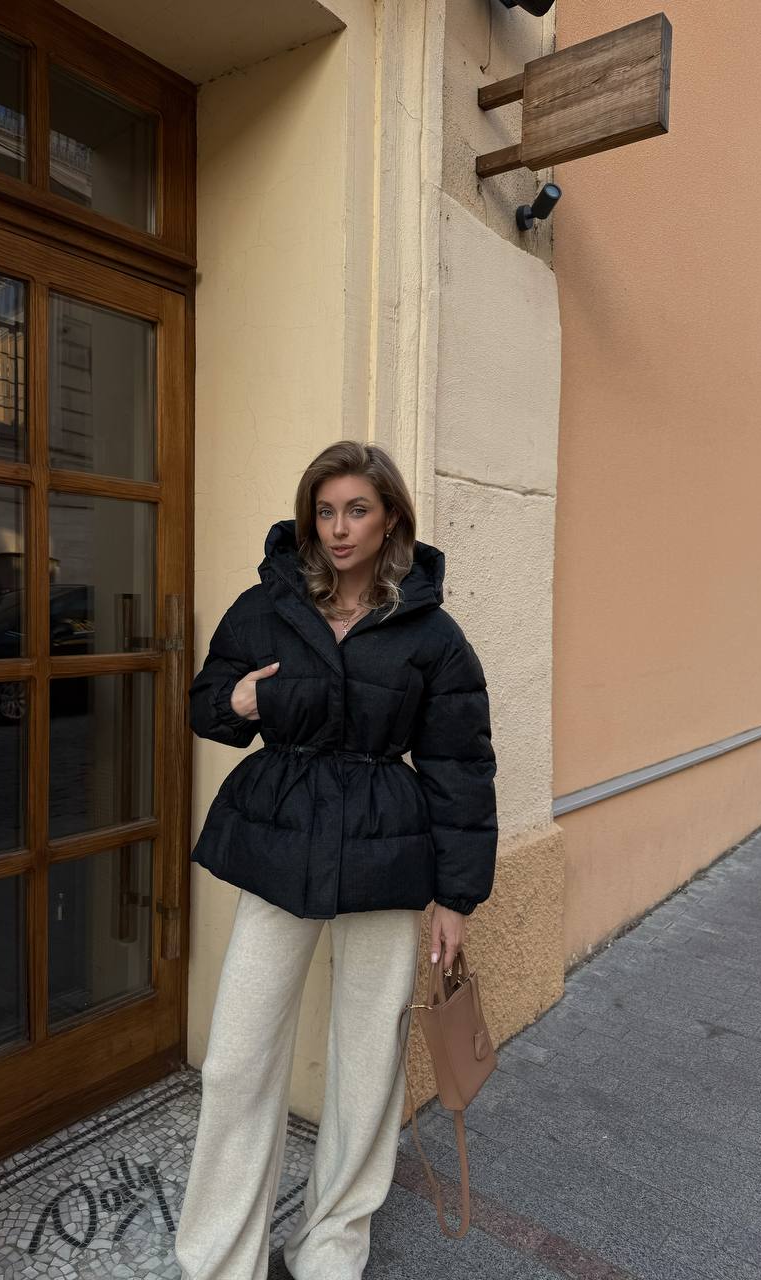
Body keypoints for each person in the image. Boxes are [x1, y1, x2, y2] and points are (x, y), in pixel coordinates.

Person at [174, 440, 498, 1280]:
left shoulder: (431, 632)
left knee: (367, 1063)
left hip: (388, 855)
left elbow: (461, 767)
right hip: (282, 843)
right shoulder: (267, 605)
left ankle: (331, 1247)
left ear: (390, 517)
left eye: (357, 509)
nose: (339, 528)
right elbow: (207, 706)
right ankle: (219, 1259)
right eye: (325, 511)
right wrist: (242, 697)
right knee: (237, 1060)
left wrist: (456, 898)